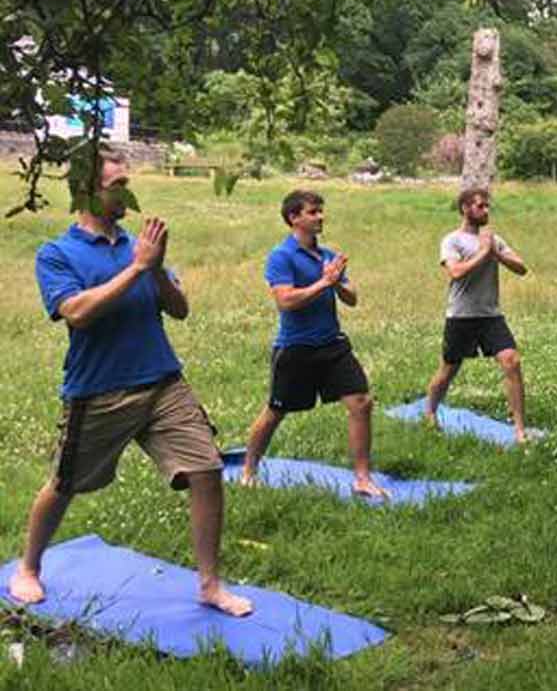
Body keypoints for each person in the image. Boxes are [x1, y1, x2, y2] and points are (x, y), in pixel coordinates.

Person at [9, 147, 251, 616]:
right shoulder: (57, 253)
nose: (128, 192)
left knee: (206, 470)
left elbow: (179, 309)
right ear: (86, 191)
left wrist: (156, 266)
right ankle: (29, 568)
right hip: (99, 390)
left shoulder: (138, 245)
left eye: (127, 182)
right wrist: (137, 267)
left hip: (162, 382)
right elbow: (76, 313)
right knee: (64, 483)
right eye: (117, 184)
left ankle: (209, 585)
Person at [240, 190, 387, 498]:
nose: (320, 217)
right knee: (275, 411)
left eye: (321, 211)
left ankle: (362, 478)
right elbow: (285, 301)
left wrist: (337, 283)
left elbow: (352, 298)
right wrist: (324, 283)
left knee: (361, 402)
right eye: (312, 212)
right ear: (294, 218)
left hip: (332, 344)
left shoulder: (329, 256)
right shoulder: (281, 256)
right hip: (296, 348)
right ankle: (248, 468)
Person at [424, 187, 531, 443]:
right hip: (461, 316)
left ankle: (519, 429)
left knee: (512, 361)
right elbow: (456, 272)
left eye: (487, 206)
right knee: (448, 370)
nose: (486, 211)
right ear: (465, 209)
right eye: (481, 206)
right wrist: (484, 253)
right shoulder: (452, 240)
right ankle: (429, 411)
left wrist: (495, 252)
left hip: (490, 315)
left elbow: (521, 268)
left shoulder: (493, 239)